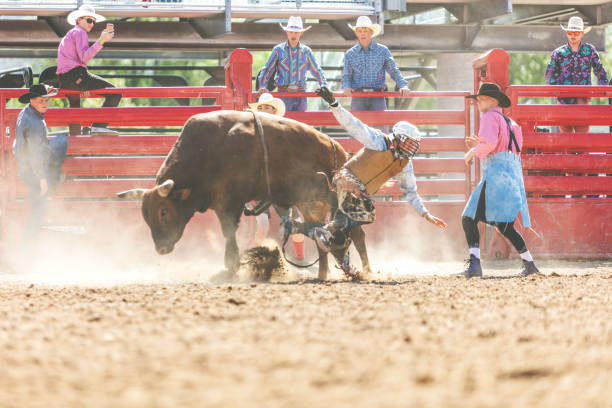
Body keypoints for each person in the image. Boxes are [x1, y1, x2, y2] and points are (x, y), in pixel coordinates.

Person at [282, 87, 446, 274]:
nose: (410, 148)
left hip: (359, 190)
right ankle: (325, 233)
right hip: (347, 179)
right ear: (398, 138)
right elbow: (354, 125)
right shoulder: (379, 140)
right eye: (408, 143)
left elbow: (411, 191)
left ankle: (306, 229)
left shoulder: (405, 164)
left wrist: (425, 214)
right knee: (364, 211)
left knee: (357, 225)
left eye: (412, 145)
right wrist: (335, 105)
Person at [456, 82, 539, 278]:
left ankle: (475, 265)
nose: (478, 103)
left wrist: (471, 153)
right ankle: (530, 264)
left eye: (480, 99)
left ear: (491, 101)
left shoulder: (489, 117)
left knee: (468, 218)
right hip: (512, 177)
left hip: (496, 175)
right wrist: (481, 145)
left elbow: (492, 144)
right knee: (504, 225)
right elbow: (507, 148)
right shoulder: (512, 124)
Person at [245, 93, 306, 259]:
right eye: (262, 108)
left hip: (280, 185)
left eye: (268, 108)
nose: (264, 110)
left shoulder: (283, 132)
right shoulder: (252, 132)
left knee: (297, 226)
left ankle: (300, 259)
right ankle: (250, 258)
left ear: (274, 111)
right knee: (262, 226)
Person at [13, 84, 68, 238]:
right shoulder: (35, 124)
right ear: (31, 100)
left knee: (38, 208)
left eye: (46, 100)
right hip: (33, 171)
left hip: (26, 166)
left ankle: (29, 247)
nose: (44, 104)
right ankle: (27, 247)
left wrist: (45, 88)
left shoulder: (26, 113)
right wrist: (43, 179)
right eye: (40, 101)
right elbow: (36, 155)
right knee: (38, 210)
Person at [56, 4, 121, 136]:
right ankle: (98, 126)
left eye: (93, 21)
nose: (92, 24)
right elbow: (84, 57)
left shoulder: (71, 33)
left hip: (65, 79)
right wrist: (101, 41)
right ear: (79, 19)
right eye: (89, 20)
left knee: (75, 106)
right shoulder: (80, 32)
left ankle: (75, 138)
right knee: (115, 93)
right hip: (76, 75)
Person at [545, 16, 608, 133]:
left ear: (582, 34)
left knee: (582, 137)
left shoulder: (590, 50)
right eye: (570, 32)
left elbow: (599, 70)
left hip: (582, 100)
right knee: (566, 139)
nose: (573, 36)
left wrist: (605, 89)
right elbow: (549, 74)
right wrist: (555, 90)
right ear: (566, 34)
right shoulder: (558, 53)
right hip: (564, 101)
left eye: (576, 33)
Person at [257, 16, 327, 112]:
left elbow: (317, 70)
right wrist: (262, 86)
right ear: (287, 32)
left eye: (296, 32)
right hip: (283, 93)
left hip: (301, 93)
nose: (293, 34)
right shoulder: (278, 50)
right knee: (284, 122)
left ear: (301, 33)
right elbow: (267, 69)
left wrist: (323, 84)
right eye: (291, 32)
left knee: (300, 123)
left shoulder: (306, 51)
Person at [342, 16, 409, 111]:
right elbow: (347, 75)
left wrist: (403, 85)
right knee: (357, 124)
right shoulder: (350, 54)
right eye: (360, 31)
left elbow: (393, 71)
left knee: (380, 124)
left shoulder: (382, 51)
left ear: (371, 32)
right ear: (356, 33)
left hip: (378, 95)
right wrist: (346, 86)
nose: (362, 34)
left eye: (365, 31)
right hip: (358, 96)